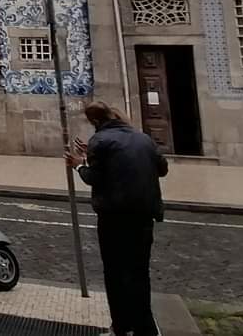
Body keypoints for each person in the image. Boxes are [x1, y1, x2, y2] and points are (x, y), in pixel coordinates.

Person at [66, 102, 169, 336]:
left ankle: (121, 327)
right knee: (139, 272)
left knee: (115, 272)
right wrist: (90, 156)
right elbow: (162, 169)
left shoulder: (100, 141)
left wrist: (78, 164)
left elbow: (94, 177)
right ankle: (147, 329)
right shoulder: (143, 138)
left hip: (114, 216)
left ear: (95, 122)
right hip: (144, 215)